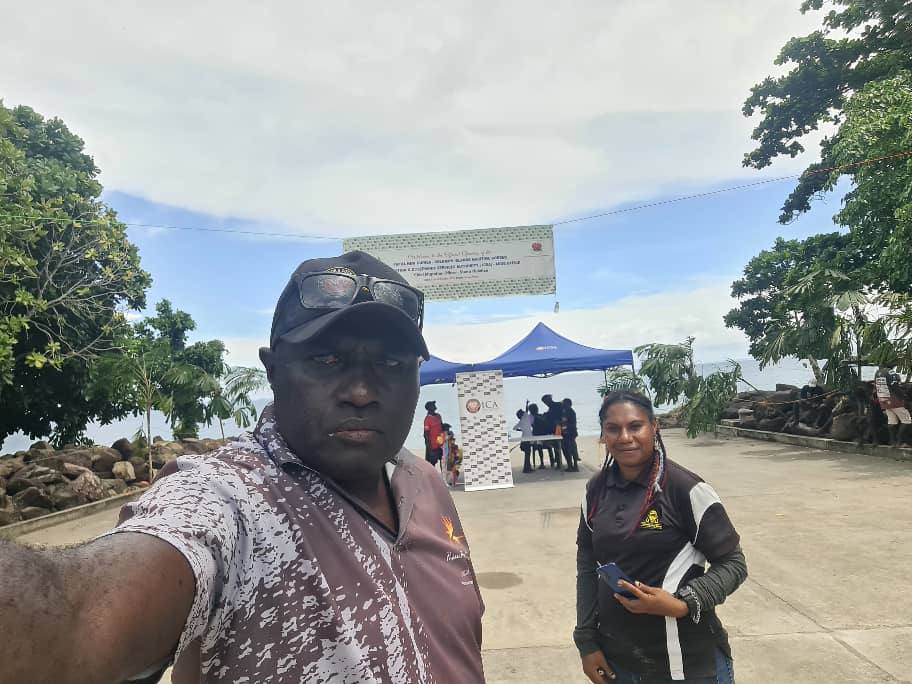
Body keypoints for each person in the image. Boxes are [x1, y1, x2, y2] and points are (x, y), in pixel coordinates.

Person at [0, 251, 486, 683]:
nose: (361, 391)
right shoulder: (231, 498)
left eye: (392, 364)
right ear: (273, 371)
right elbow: (78, 617)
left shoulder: (423, 482)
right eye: (328, 359)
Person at [575, 391, 747, 683]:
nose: (625, 437)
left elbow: (733, 563)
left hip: (687, 665)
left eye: (635, 426)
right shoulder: (595, 491)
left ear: (654, 427)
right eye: (613, 429)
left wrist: (682, 603)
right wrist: (586, 642)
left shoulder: (685, 488)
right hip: (620, 663)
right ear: (603, 435)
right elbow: (588, 568)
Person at [873, 365, 911, 446]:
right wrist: (903, 396)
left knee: (892, 422)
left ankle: (892, 441)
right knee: (907, 420)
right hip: (894, 400)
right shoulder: (890, 372)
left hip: (884, 400)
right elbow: (894, 386)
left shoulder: (877, 373)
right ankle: (900, 441)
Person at [541, 394, 564, 468]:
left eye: (546, 401)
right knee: (556, 447)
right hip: (554, 429)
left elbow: (560, 417)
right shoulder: (552, 407)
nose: (546, 403)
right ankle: (557, 461)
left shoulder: (556, 405)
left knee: (557, 446)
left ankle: (559, 462)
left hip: (558, 429)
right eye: (545, 402)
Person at [424, 399, 445, 467]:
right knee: (432, 464)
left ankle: (443, 476)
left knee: (443, 462)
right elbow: (426, 435)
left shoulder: (438, 416)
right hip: (433, 446)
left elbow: (442, 427)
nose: (435, 406)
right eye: (433, 405)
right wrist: (430, 449)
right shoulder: (427, 419)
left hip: (441, 444)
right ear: (429, 408)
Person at [514, 408, 535, 473]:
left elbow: (514, 428)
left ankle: (527, 468)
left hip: (523, 439)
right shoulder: (525, 419)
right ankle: (526, 469)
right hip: (527, 439)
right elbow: (526, 411)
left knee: (527, 454)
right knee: (528, 454)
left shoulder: (521, 422)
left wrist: (521, 430)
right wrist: (527, 404)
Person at [561, 397, 580, 472]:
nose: (563, 405)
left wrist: (563, 427)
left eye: (564, 404)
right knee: (568, 450)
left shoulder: (571, 412)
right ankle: (571, 465)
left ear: (568, 404)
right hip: (567, 433)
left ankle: (574, 466)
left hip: (570, 433)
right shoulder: (565, 412)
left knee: (570, 450)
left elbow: (571, 424)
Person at [528, 402, 547, 469]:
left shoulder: (533, 417)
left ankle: (542, 463)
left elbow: (530, 426)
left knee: (538, 447)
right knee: (538, 446)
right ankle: (543, 463)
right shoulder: (540, 416)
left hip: (538, 435)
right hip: (542, 435)